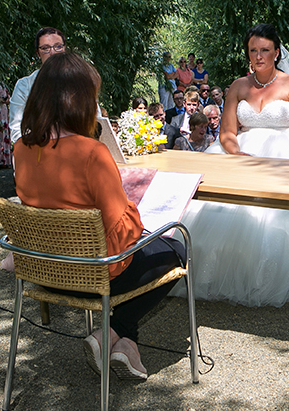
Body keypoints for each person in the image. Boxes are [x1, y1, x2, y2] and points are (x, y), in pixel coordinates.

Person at [13, 51, 185, 379]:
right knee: (176, 249)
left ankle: (125, 345)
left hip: (46, 272)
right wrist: (134, 209)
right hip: (94, 275)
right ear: (78, 101)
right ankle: (111, 331)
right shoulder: (92, 152)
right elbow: (122, 231)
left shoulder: (21, 149)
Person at [172, 24, 289, 307]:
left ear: (276, 52)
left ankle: (269, 277)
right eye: (253, 50)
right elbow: (227, 132)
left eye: (265, 50)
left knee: (274, 217)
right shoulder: (239, 86)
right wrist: (237, 154)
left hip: (281, 154)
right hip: (241, 152)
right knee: (218, 212)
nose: (258, 56)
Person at [9, 27, 66, 143]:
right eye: (45, 48)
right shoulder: (24, 86)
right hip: (38, 148)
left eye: (58, 46)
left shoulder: (81, 82)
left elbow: (96, 120)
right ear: (38, 53)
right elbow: (17, 129)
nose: (52, 52)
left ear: (65, 49)